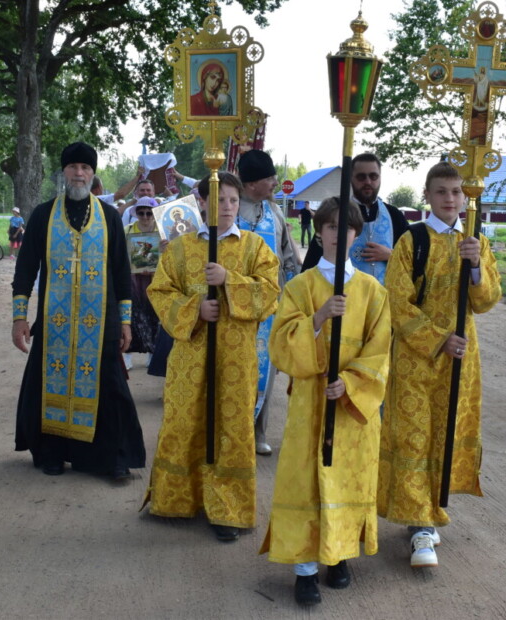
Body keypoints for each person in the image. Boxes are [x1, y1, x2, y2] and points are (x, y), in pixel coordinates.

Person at [260, 197, 390, 606]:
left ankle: (339, 555)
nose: (338, 235)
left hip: (350, 407)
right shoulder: (300, 287)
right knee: (305, 481)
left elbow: (380, 351)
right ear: (319, 233)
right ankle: (304, 570)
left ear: (356, 234)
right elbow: (281, 346)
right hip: (310, 404)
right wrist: (317, 319)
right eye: (330, 227)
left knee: (346, 476)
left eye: (345, 228)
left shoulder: (372, 291)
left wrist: (349, 384)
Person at [377, 161, 502, 568]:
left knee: (444, 435)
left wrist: (476, 268)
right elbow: (397, 302)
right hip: (417, 359)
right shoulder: (412, 241)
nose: (450, 199)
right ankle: (420, 527)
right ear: (427, 196)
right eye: (442, 191)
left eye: (456, 191)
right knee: (414, 437)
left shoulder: (475, 241)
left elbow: (486, 301)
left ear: (466, 197)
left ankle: (428, 509)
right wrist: (437, 338)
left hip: (460, 360)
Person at [144, 172, 280, 542]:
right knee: (185, 421)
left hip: (236, 359)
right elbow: (160, 291)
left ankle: (228, 510)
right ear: (202, 203)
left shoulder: (254, 247)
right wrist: (195, 310)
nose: (228, 207)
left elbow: (271, 293)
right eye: (220, 200)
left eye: (234, 200)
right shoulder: (180, 248)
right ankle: (178, 498)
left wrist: (228, 280)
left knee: (231, 429)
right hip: (190, 357)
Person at [11, 141, 146, 480]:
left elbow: (121, 272)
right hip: (54, 322)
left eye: (85, 168)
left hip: (100, 322)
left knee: (110, 389)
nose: (79, 173)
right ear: (64, 172)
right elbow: (25, 268)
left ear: (92, 173)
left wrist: (125, 322)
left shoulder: (109, 217)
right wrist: (19, 317)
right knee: (51, 384)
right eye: (73, 167)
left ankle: (113, 458)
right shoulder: (44, 215)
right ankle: (53, 452)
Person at [237, 149, 300, 456]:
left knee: (266, 371)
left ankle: (258, 431)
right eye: (270, 178)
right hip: (234, 304)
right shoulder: (230, 207)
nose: (275, 183)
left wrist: (295, 291)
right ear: (251, 183)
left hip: (270, 305)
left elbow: (288, 256)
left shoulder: (274, 211)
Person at [302, 152, 407, 287]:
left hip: (386, 297)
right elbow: (311, 267)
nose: (368, 182)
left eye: (373, 176)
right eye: (361, 177)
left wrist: (391, 255)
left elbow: (413, 261)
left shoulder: (394, 215)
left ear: (380, 178)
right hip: (343, 296)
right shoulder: (336, 214)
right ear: (351, 178)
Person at [124, 196, 162, 370]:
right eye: (141, 213)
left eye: (149, 213)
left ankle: (152, 353)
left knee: (155, 315)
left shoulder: (163, 232)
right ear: (136, 214)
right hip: (133, 280)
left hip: (156, 279)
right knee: (132, 316)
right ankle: (127, 354)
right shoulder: (127, 230)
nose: (145, 217)